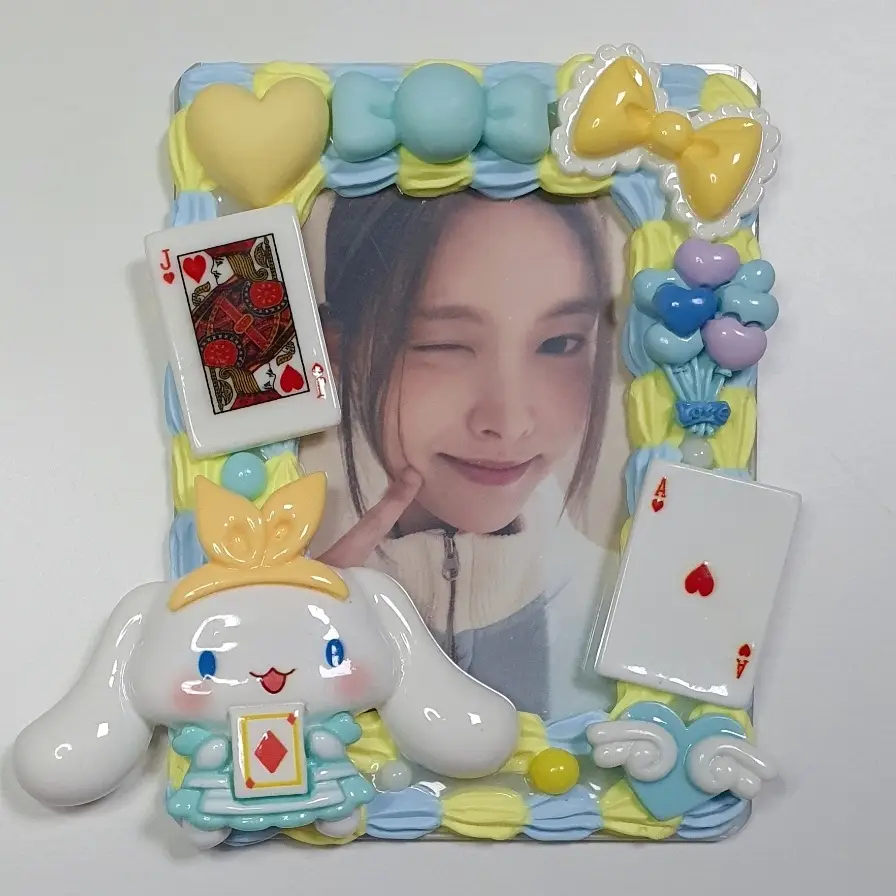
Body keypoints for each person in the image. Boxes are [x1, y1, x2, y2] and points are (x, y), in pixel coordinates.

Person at [313, 189, 619, 720]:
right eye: (443, 345)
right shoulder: (276, 597)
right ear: (341, 350)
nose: (510, 422)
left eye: (560, 343)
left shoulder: (629, 610)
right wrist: (294, 633)